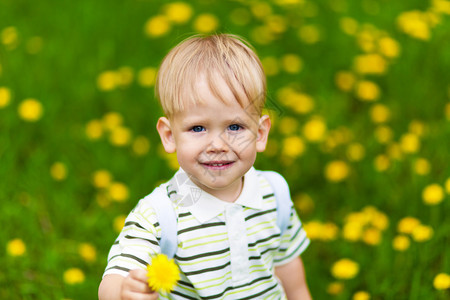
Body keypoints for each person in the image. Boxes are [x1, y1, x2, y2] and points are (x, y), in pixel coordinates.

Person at [98, 33, 311, 300]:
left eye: (235, 127)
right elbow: (114, 279)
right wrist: (123, 292)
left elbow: (289, 270)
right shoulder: (159, 215)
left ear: (260, 133)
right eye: (198, 128)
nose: (218, 144)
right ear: (169, 135)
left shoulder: (274, 194)